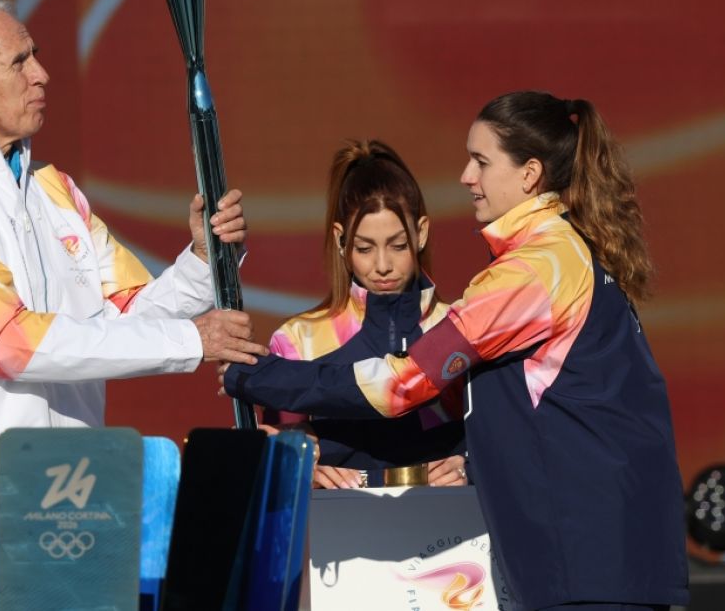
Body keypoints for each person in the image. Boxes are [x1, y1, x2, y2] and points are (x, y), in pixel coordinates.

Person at [223, 92, 688, 610]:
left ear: (529, 173)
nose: (466, 176)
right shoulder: (571, 253)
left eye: (482, 161)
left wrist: (253, 374)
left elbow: (400, 382)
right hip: (606, 552)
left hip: (584, 559)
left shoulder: (534, 270)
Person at [0, 0, 268, 440]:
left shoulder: (53, 190)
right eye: (19, 62)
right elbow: (9, 342)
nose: (41, 74)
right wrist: (192, 341)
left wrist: (203, 260)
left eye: (35, 56)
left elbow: (126, 315)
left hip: (61, 478)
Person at [263, 139, 467, 489]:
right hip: (340, 535)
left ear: (422, 233)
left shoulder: (463, 326)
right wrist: (298, 465)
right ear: (341, 241)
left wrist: (469, 464)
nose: (383, 266)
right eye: (365, 248)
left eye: (398, 245)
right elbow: (272, 457)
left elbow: (504, 437)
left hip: (451, 533)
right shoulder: (297, 341)